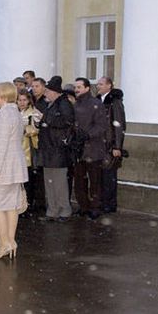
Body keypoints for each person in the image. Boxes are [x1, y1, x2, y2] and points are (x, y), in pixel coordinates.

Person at [0, 82, 28, 260]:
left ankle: (3, 244)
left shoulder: (3, 115)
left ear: (3, 95)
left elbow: (0, 146)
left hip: (2, 168)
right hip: (14, 168)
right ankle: (10, 241)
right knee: (11, 206)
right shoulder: (14, 112)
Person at [36, 77, 75, 221]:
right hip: (49, 148)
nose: (45, 93)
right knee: (50, 181)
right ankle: (52, 210)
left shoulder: (64, 104)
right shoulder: (52, 104)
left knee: (59, 182)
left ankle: (64, 210)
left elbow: (67, 121)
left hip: (58, 149)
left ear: (55, 92)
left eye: (47, 91)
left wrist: (46, 121)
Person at [72, 77, 107, 220]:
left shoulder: (96, 104)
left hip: (93, 148)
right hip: (78, 149)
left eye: (79, 87)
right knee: (79, 181)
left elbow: (101, 125)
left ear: (87, 88)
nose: (76, 89)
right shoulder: (74, 104)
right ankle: (83, 206)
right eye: (76, 87)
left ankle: (95, 207)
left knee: (94, 181)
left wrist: (87, 135)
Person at [97, 76, 125, 214]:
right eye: (98, 84)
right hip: (99, 145)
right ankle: (102, 202)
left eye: (101, 84)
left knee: (109, 176)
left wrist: (117, 146)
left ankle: (110, 204)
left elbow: (118, 125)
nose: (98, 86)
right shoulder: (98, 100)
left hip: (109, 145)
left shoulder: (114, 102)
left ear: (109, 86)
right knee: (101, 176)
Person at [16, 90, 44, 213]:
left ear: (28, 101)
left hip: (28, 151)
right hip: (16, 151)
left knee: (29, 181)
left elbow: (37, 130)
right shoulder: (14, 112)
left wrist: (26, 130)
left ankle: (28, 205)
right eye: (19, 100)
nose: (22, 103)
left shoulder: (34, 113)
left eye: (24, 100)